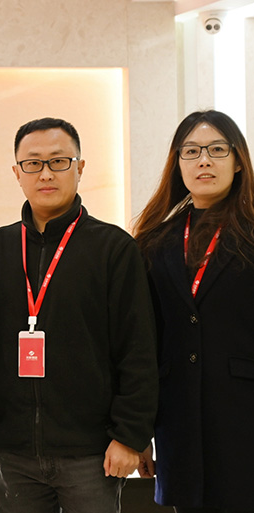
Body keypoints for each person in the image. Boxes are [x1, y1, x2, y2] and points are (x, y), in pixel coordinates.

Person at [0, 117, 157, 513]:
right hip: (14, 453)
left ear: (80, 167)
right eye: (33, 163)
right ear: (17, 173)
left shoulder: (113, 248)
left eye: (58, 161)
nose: (46, 173)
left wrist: (129, 435)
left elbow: (138, 349)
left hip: (93, 453)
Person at [132, 110, 254, 513]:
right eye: (192, 151)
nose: (204, 161)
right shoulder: (154, 241)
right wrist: (139, 432)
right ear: (177, 162)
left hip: (242, 419)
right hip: (178, 426)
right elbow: (143, 344)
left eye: (217, 150)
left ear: (238, 161)